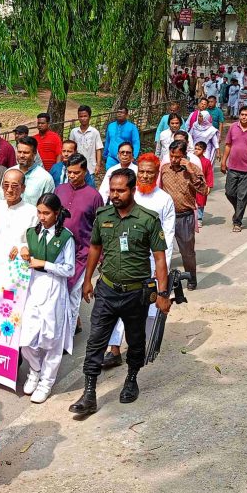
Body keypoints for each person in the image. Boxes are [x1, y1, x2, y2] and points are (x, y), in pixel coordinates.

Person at [70, 169, 170, 413]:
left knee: (136, 341)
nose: (114, 195)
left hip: (136, 294)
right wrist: (87, 280)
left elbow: (159, 258)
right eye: (112, 190)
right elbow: (95, 247)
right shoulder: (103, 215)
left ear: (133, 190)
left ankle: (131, 379)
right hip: (107, 290)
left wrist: (163, 294)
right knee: (95, 342)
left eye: (120, 190)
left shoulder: (148, 219)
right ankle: (89, 393)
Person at [102, 154, 175, 369]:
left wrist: (162, 271)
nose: (144, 175)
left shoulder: (164, 200)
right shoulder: (127, 195)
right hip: (120, 263)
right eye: (141, 171)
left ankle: (140, 348)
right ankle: (114, 349)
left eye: (149, 172)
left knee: (148, 309)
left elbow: (167, 239)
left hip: (150, 265)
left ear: (157, 173)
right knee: (115, 305)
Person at [18, 193, 75, 404]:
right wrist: (22, 249)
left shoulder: (66, 237)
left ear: (57, 213)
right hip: (33, 287)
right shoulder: (32, 233)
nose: (42, 217)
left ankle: (46, 382)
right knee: (27, 339)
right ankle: (35, 370)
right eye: (39, 212)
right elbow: (22, 250)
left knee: (52, 339)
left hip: (54, 289)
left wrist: (45, 264)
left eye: (47, 213)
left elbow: (69, 270)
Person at [54, 154, 104, 332]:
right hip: (57, 252)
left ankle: (67, 335)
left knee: (73, 296)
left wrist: (101, 257)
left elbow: (100, 228)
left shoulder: (94, 196)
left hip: (81, 253)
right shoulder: (59, 190)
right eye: (69, 172)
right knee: (57, 294)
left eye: (76, 172)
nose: (72, 176)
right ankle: (60, 331)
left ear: (85, 172)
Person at [159, 141, 207, 289]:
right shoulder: (164, 169)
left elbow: (204, 190)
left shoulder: (193, 169)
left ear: (185, 156)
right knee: (162, 251)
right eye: (171, 156)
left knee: (187, 252)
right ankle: (162, 282)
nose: (174, 160)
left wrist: (190, 171)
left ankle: (191, 279)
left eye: (177, 157)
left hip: (184, 217)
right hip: (166, 217)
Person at [0, 136, 55, 206]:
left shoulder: (45, 179)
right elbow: (0, 199)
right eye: (19, 152)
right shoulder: (9, 173)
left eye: (26, 152)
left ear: (34, 153)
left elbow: (48, 207)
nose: (21, 155)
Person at [70, 105, 103, 171]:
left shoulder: (94, 132)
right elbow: (71, 148)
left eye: (85, 116)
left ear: (89, 117)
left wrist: (98, 165)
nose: (83, 118)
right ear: (78, 117)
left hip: (91, 167)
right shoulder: (74, 132)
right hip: (76, 166)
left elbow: (98, 149)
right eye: (81, 116)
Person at [193, 142, 214, 224]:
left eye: (199, 149)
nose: (196, 151)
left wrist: (209, 186)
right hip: (191, 184)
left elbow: (209, 174)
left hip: (202, 185)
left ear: (204, 151)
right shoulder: (190, 160)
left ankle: (199, 219)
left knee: (200, 202)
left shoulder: (206, 162)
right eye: (196, 148)